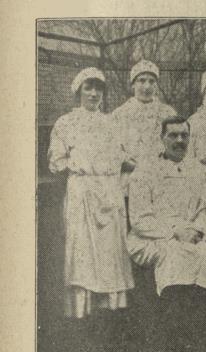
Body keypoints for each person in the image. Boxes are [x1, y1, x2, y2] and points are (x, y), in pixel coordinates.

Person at [47, 67, 134, 338]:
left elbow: (127, 159)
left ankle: (110, 320)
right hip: (82, 193)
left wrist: (117, 179)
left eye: (98, 89)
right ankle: (80, 322)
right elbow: (56, 162)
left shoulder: (113, 123)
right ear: (78, 91)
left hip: (109, 192)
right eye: (88, 87)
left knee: (110, 254)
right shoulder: (65, 123)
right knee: (82, 253)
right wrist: (81, 168)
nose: (94, 93)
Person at [127, 116, 206, 352]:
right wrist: (174, 231)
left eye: (184, 135)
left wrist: (198, 231)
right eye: (173, 135)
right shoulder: (145, 171)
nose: (179, 140)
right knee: (175, 258)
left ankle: (196, 336)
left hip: (191, 235)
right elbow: (139, 219)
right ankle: (173, 338)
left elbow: (204, 211)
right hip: (152, 237)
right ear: (162, 139)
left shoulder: (198, 171)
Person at [111, 60, 176, 190]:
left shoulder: (168, 113)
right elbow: (112, 147)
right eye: (141, 80)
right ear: (133, 85)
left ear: (157, 85)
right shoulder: (120, 113)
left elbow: (176, 144)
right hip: (131, 177)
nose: (147, 86)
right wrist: (129, 163)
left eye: (152, 81)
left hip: (162, 175)